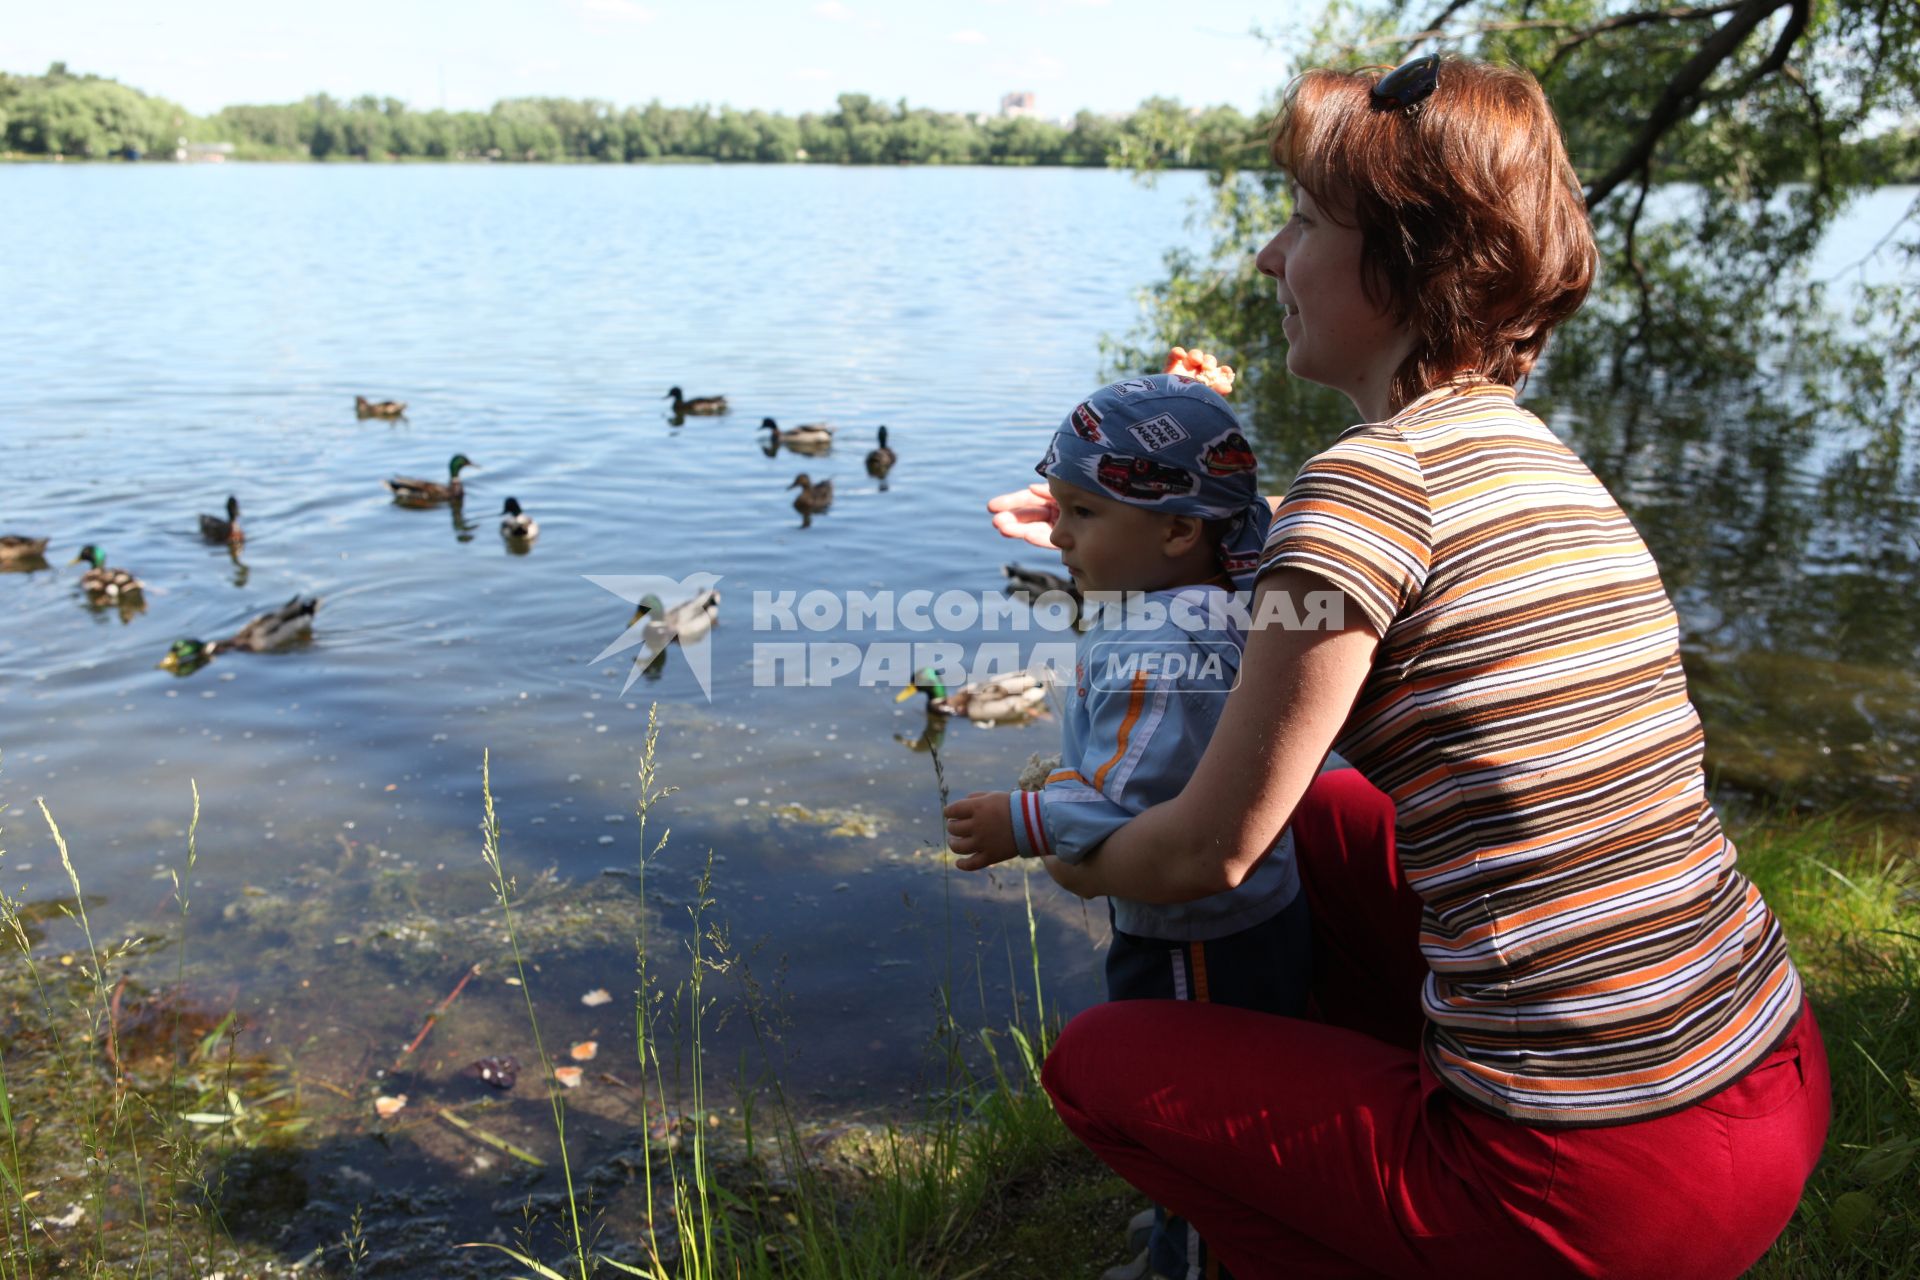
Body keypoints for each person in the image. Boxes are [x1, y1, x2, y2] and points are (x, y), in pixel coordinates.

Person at [970, 55, 1829, 1279]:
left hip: (1589, 1188)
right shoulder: (1531, 458)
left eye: (1307, 222)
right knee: (1319, 806)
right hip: (1766, 1076)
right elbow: (1327, 570)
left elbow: (1204, 852)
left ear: (1412, 263)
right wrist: (1095, 514)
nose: (1271, 257)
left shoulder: (1362, 491)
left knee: (1101, 1059)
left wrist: (1052, 830)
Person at [945, 373, 1304, 1280]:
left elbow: (1125, 805)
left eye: (1079, 515)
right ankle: (1207, 1235)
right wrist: (1187, 403)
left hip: (1195, 941)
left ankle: (1187, 1265)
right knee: (1233, 1096)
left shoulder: (1157, 648)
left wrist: (1020, 819)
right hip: (1263, 916)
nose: (1058, 534)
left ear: (1179, 531)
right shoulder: (1226, 588)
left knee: (1186, 1114)